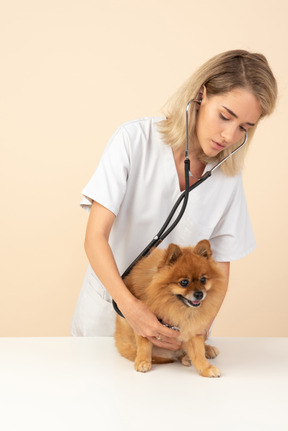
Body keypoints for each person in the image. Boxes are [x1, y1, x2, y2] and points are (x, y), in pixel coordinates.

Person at [71, 49, 277, 351]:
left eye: (244, 127)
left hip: (177, 331)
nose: (229, 135)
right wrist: (130, 307)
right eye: (225, 116)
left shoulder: (228, 177)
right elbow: (95, 237)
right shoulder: (134, 140)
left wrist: (198, 331)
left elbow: (221, 261)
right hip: (108, 317)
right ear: (200, 95)